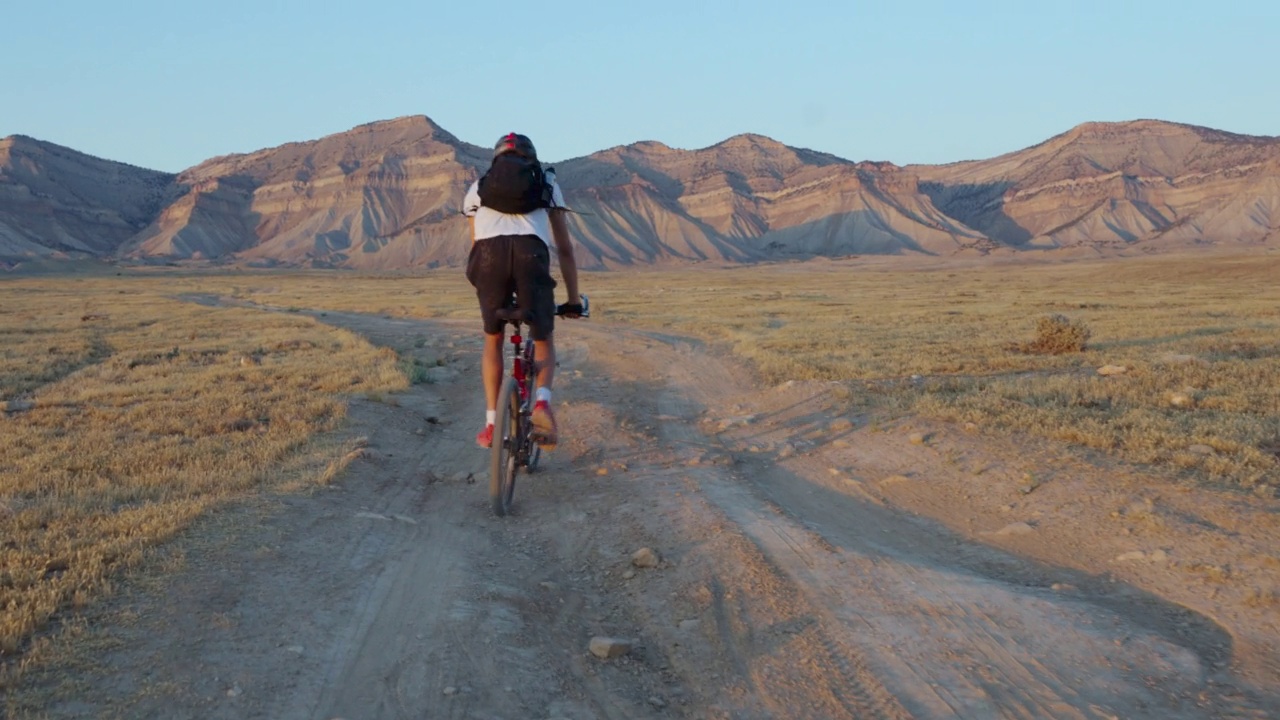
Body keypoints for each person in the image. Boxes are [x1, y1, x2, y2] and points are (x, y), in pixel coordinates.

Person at [462, 132, 582, 451]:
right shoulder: (546, 185)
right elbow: (566, 250)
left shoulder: (479, 187)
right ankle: (541, 403)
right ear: (531, 159)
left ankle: (491, 424)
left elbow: (476, 243)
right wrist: (572, 300)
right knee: (542, 337)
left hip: (488, 259)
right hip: (531, 256)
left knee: (493, 337)